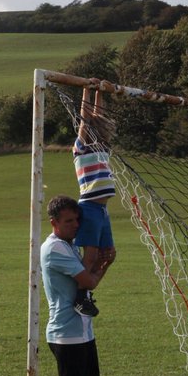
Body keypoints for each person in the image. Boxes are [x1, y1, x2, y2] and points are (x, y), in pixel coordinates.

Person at [40, 195, 114, 376]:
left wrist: (99, 263)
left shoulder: (70, 246)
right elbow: (88, 281)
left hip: (83, 331)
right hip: (65, 335)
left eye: (77, 220)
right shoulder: (54, 248)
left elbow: (88, 280)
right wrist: (105, 264)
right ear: (54, 223)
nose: (75, 225)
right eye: (69, 221)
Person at [72, 85, 117, 318]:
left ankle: (88, 289)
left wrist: (100, 92)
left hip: (102, 211)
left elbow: (100, 115)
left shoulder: (103, 148)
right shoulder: (80, 149)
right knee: (90, 256)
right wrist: (87, 90)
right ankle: (80, 296)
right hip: (89, 207)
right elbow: (85, 119)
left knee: (108, 253)